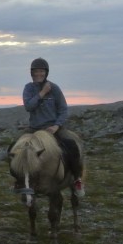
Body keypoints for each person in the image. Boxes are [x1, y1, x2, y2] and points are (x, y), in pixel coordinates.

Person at [21, 57, 84, 194]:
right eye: (36, 71)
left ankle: (77, 179)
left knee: (72, 146)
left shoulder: (54, 88)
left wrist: (56, 126)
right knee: (16, 148)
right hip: (34, 129)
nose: (39, 74)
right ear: (31, 73)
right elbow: (28, 106)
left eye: (42, 71)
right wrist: (42, 93)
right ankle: (20, 180)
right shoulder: (29, 88)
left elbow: (63, 109)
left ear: (46, 73)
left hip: (53, 128)